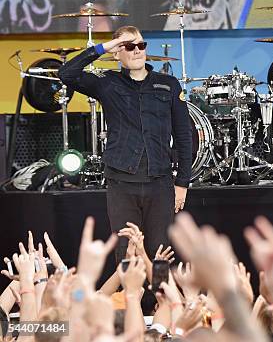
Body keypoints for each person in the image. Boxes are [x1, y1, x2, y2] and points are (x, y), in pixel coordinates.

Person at [58, 25, 192, 262]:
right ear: (117, 53)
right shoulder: (107, 83)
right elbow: (66, 74)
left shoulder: (169, 84)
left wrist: (182, 183)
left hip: (160, 183)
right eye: (129, 46)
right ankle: (131, 298)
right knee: (127, 253)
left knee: (160, 255)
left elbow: (183, 135)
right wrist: (104, 46)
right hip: (122, 183)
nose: (137, 50)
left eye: (141, 45)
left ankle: (161, 299)